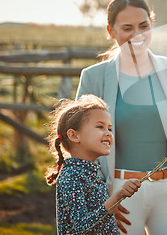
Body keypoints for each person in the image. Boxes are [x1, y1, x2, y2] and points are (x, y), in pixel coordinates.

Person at [75, 0, 167, 235]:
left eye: (143, 26)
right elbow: (80, 147)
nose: (137, 35)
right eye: (127, 28)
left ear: (152, 24)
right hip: (118, 194)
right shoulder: (93, 77)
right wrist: (101, 202)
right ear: (111, 31)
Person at [46, 94, 141, 235]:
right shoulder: (72, 177)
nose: (108, 133)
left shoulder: (91, 173)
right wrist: (117, 196)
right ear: (74, 135)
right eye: (100, 127)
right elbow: (82, 227)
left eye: (109, 128)